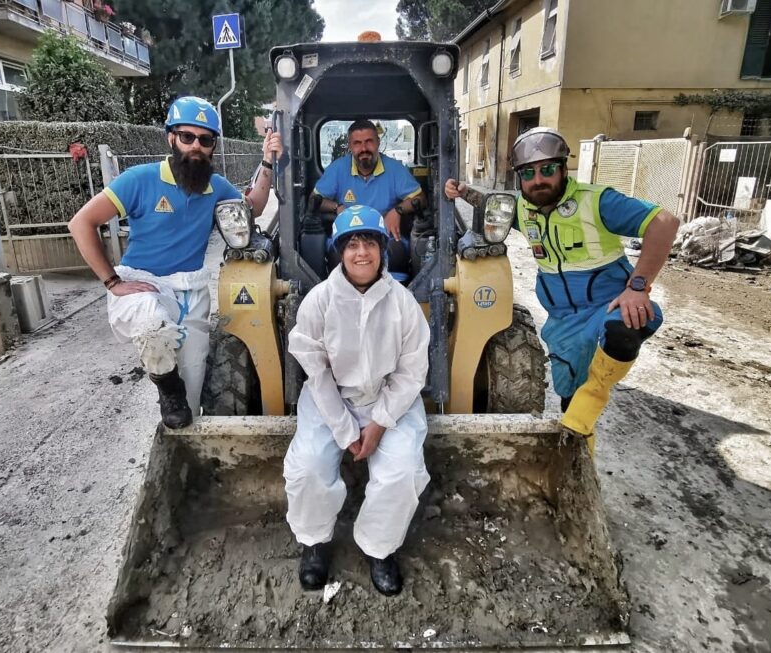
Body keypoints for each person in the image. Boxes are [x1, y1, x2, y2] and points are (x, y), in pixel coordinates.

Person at [444, 127, 679, 455]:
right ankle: (579, 460)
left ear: (563, 168)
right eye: (528, 173)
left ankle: (593, 398)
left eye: (548, 169)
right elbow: (490, 203)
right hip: (564, 321)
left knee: (624, 327)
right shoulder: (523, 210)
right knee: (570, 397)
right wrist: (463, 191)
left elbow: (664, 223)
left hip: (606, 305)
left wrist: (637, 287)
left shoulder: (597, 202)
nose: (538, 179)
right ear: (519, 178)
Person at [69, 96, 282, 429]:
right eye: (187, 137)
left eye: (205, 139)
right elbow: (81, 223)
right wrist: (113, 281)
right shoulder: (139, 179)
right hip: (142, 283)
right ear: (171, 137)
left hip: (192, 290)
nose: (196, 146)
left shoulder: (215, 187)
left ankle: (184, 446)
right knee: (152, 324)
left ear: (213, 145)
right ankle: (167, 389)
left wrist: (267, 162)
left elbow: (253, 206)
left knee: (192, 390)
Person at [283, 205, 430, 596]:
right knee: (309, 465)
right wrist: (345, 429)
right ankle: (314, 542)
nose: (361, 252)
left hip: (390, 399)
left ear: (383, 249)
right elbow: (315, 370)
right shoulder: (319, 300)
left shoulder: (403, 303)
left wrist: (379, 423)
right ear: (338, 251)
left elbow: (412, 371)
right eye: (351, 244)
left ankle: (379, 549)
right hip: (331, 400)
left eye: (369, 242)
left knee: (402, 471)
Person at [313, 118, 425, 279]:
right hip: (346, 235)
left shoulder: (395, 169)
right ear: (350, 146)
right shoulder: (337, 169)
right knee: (333, 253)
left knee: (398, 251)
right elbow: (315, 199)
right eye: (357, 143)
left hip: (386, 237)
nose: (364, 148)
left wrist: (398, 210)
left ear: (378, 142)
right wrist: (337, 207)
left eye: (369, 142)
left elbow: (421, 198)